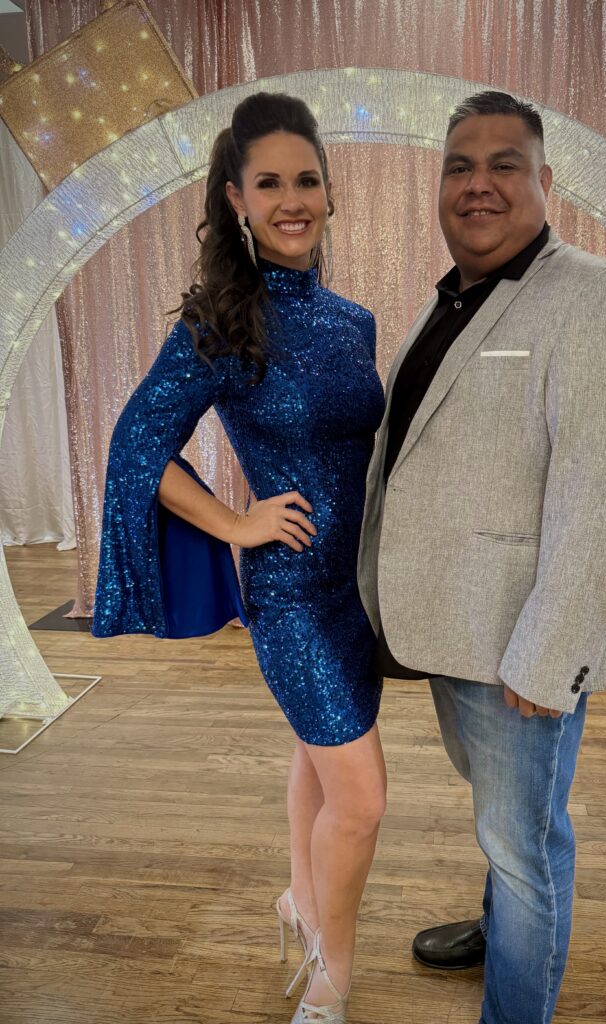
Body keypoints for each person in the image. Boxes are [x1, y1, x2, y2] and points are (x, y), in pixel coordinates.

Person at [357, 90, 606, 1024]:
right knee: (507, 823)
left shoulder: (599, 295)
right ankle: (500, 930)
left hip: (519, 642)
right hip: (456, 621)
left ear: (545, 182)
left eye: (503, 165)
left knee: (524, 846)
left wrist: (550, 653)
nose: (477, 184)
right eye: (459, 166)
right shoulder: (448, 297)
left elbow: (604, 490)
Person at [92, 91, 387, 1024]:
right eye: (269, 184)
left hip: (358, 587)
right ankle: (332, 977)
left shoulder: (354, 321)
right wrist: (233, 522)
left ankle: (300, 899)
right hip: (293, 593)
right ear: (236, 200)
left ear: (330, 193)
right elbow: (135, 449)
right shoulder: (220, 324)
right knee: (362, 799)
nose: (291, 200)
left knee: (318, 753)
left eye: (307, 180)